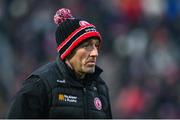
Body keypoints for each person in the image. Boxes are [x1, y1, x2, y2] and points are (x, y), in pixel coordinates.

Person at [7, 8, 112, 119]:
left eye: (96, 46)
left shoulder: (100, 88)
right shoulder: (40, 84)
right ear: (68, 51)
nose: (95, 53)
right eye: (86, 46)